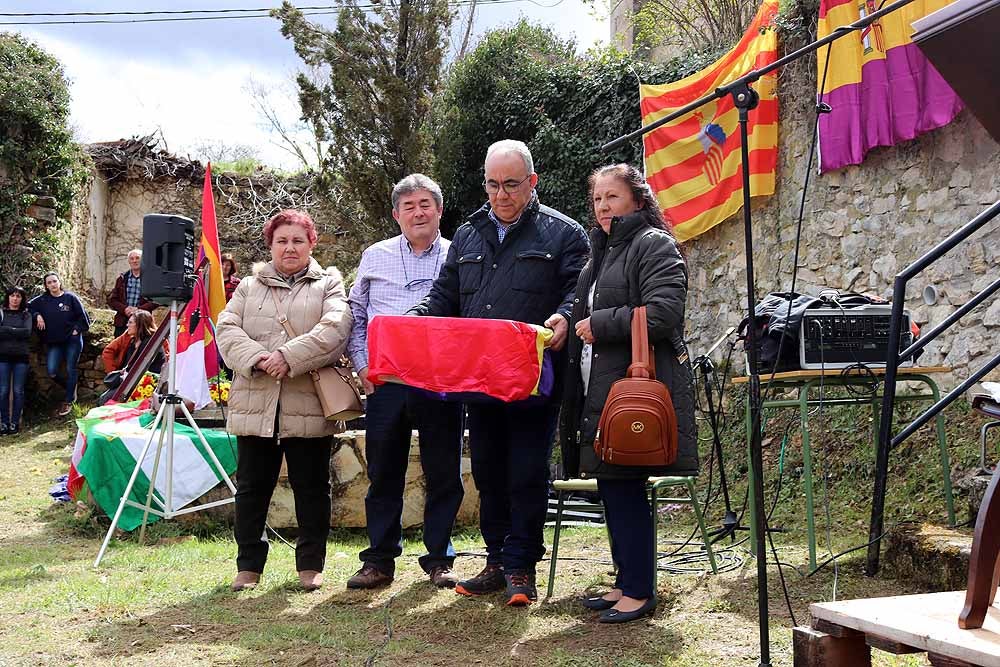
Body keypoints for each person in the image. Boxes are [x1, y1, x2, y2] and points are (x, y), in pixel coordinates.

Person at [410, 140, 590, 606]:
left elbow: (580, 292)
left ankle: (522, 565)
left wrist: (566, 318)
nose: (501, 194)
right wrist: (418, 317)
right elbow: (446, 294)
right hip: (479, 378)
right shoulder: (468, 235)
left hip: (533, 378)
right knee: (488, 471)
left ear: (532, 182)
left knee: (527, 471)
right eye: (492, 184)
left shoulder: (565, 234)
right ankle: (495, 560)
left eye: (511, 184)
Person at [560, 163, 697, 624]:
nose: (603, 207)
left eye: (612, 197)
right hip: (602, 389)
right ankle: (625, 581)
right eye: (597, 199)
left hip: (632, 391)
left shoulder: (653, 245)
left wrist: (600, 324)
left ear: (638, 200)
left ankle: (640, 589)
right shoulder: (599, 253)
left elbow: (663, 313)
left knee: (626, 488)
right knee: (612, 487)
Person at [217, 209, 352, 593]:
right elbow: (226, 328)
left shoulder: (329, 284)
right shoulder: (247, 286)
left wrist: (288, 357)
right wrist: (259, 358)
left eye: (297, 240)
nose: (289, 247)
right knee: (251, 487)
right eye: (282, 240)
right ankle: (248, 566)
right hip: (256, 401)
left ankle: (311, 565)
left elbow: (335, 329)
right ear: (270, 245)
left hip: (307, 402)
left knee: (312, 487)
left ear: (312, 243)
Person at [345, 174, 465, 590]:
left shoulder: (459, 254)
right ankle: (379, 559)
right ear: (396, 214)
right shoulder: (374, 256)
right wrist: (362, 366)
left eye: (425, 203)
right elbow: (356, 315)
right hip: (387, 380)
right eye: (409, 205)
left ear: (439, 209)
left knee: (444, 471)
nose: (418, 212)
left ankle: (439, 559)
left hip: (440, 381)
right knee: (383, 473)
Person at [29, 272, 91, 417]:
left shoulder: (70, 298)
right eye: (49, 282)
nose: (52, 284)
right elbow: (28, 307)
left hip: (72, 341)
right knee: (51, 371)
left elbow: (83, 318)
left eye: (54, 281)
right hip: (54, 342)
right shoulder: (42, 300)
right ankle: (71, 387)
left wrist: (77, 330)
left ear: (59, 282)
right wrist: (37, 315)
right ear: (46, 285)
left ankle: (69, 400)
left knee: (71, 368)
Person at [0, 287, 32, 435]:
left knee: (18, 391)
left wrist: (7, 330)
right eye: (12, 296)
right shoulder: (1, 313)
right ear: (8, 297)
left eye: (18, 296)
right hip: (3, 356)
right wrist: (15, 331)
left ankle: (14, 423)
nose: (15, 299)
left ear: (22, 299)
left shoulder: (26, 315)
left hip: (21, 357)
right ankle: (4, 423)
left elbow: (26, 333)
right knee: (3, 390)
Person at [107, 248, 159, 337]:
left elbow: (156, 300)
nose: (134, 261)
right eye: (132, 259)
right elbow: (112, 300)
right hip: (122, 322)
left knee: (141, 348)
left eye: (137, 258)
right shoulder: (122, 279)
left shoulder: (150, 280)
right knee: (120, 349)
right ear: (129, 262)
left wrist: (138, 309)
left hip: (142, 322)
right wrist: (125, 309)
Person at [102, 310, 164, 374]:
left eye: (130, 322)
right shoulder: (132, 340)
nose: (127, 325)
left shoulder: (152, 342)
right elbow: (108, 350)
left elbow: (141, 368)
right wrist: (112, 372)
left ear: (140, 324)